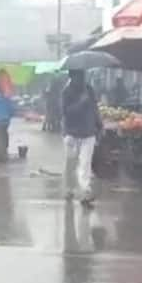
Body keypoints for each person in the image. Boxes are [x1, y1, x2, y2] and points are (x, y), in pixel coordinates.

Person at [61, 69, 103, 206]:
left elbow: (94, 107)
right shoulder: (66, 92)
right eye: (79, 76)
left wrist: (99, 124)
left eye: (83, 76)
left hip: (88, 133)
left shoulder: (89, 89)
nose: (82, 79)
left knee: (85, 165)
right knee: (70, 164)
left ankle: (85, 192)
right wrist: (80, 103)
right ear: (72, 77)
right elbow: (65, 112)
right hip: (72, 134)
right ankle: (69, 189)